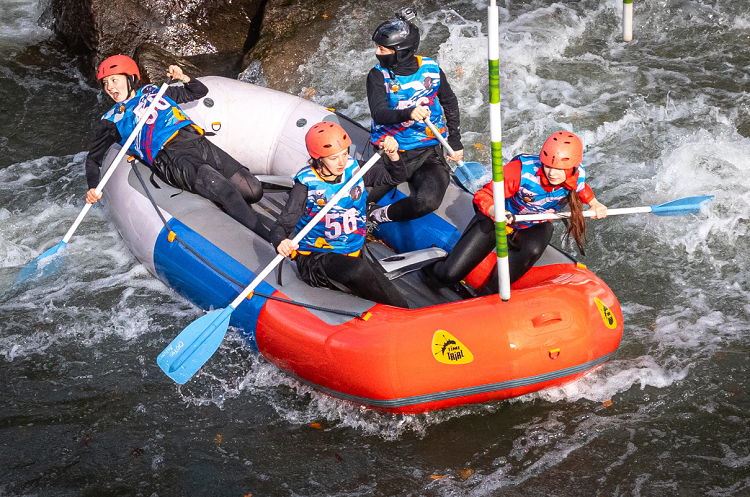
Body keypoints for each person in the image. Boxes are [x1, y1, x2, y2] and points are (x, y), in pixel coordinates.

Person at [84, 55, 268, 240]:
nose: (109, 88)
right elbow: (93, 158)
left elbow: (198, 91)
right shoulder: (112, 120)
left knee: (253, 190)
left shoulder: (155, 92)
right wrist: (93, 186)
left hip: (197, 142)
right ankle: (270, 240)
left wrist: (183, 77)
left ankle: (228, 205)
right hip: (170, 157)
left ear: (131, 78)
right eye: (106, 83)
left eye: (114, 80)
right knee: (223, 188)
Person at [429, 131, 608, 287]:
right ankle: (433, 265)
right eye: (548, 166)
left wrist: (595, 203)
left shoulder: (576, 175)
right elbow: (483, 195)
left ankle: (490, 291)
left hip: (533, 224)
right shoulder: (520, 171)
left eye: (559, 169)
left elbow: (581, 189)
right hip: (497, 217)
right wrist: (495, 212)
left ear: (573, 167)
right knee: (448, 276)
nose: (552, 173)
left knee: (534, 249)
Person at [271, 122, 410, 308]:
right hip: (316, 257)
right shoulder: (306, 185)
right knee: (358, 270)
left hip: (353, 250)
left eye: (345, 154)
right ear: (319, 159)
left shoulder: (354, 170)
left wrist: (393, 155)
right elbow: (282, 225)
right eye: (334, 158)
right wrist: (281, 241)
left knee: (399, 303)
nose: (342, 162)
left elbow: (395, 177)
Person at [366, 11, 464, 225]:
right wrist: (409, 113)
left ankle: (378, 216)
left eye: (382, 49)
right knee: (357, 199)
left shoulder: (432, 69)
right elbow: (379, 114)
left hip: (429, 152)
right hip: (391, 151)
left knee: (427, 201)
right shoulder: (377, 76)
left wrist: (455, 140)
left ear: (400, 52)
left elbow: (449, 101)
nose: (376, 52)